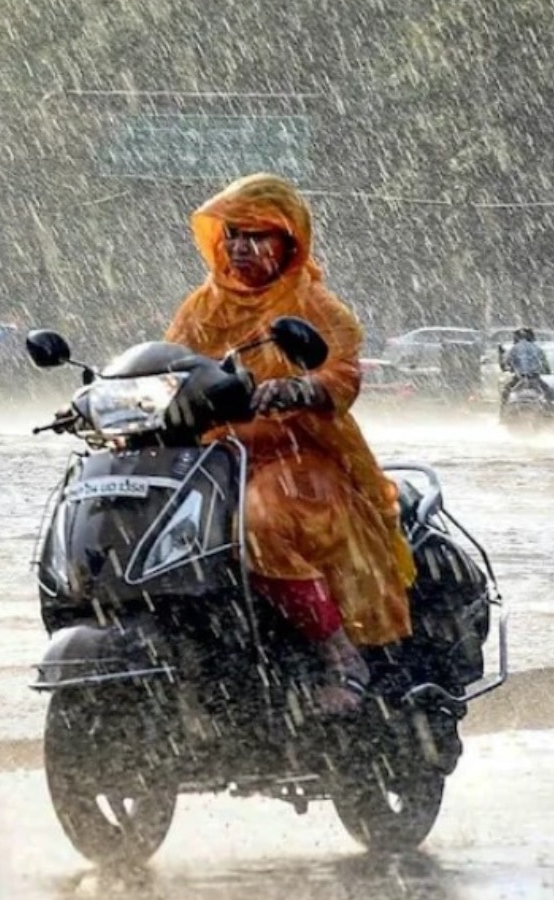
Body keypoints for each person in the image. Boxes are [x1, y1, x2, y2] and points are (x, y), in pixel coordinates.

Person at [165, 173, 416, 714]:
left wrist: (302, 387)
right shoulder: (200, 308)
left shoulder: (317, 308)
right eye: (233, 234)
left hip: (299, 455)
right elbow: (168, 367)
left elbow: (343, 375)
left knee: (257, 523)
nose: (242, 247)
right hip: (212, 458)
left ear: (290, 243)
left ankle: (340, 655)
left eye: (259, 236)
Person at [500, 326, 552, 402]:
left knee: (506, 392)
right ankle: (551, 409)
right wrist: (546, 370)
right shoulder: (537, 348)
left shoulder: (514, 349)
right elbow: (544, 363)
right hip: (535, 377)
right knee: (549, 393)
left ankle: (504, 409)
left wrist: (509, 368)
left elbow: (507, 363)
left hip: (519, 378)